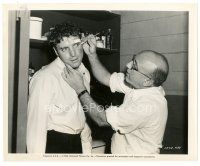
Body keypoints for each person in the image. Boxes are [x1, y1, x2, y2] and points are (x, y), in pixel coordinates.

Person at [62, 35, 169, 154]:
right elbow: (106, 78)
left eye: (134, 66)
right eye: (133, 60)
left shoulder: (148, 105)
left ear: (147, 81)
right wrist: (92, 54)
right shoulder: (140, 85)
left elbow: (102, 119)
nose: (128, 66)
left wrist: (80, 89)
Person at [26, 23, 92, 153]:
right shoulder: (45, 77)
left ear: (82, 44)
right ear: (56, 51)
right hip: (54, 145)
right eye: (64, 49)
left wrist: (87, 151)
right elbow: (36, 128)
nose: (73, 54)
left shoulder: (84, 72)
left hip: (77, 144)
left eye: (76, 45)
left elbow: (83, 118)